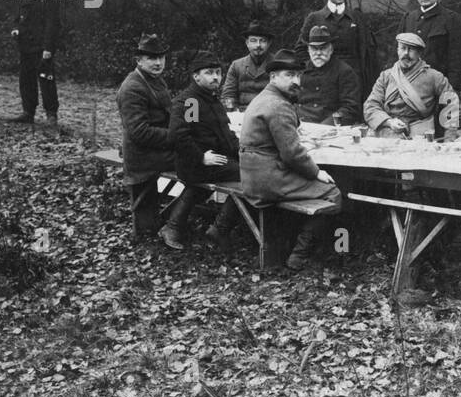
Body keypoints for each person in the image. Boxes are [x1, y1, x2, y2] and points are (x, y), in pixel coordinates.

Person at [240, 49, 344, 271]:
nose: (296, 81)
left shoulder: (264, 98)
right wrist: (317, 172)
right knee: (333, 191)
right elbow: (292, 154)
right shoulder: (278, 105)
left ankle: (295, 248)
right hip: (268, 178)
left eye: (298, 75)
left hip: (253, 173)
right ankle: (300, 255)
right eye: (289, 75)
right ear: (273, 77)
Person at [163, 53, 242, 250]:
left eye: (218, 72)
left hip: (213, 159)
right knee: (251, 175)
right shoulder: (192, 102)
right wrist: (201, 157)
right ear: (196, 77)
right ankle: (219, 229)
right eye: (209, 73)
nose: (216, 77)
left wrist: (242, 150)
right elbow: (180, 136)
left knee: (249, 166)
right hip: (194, 163)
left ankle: (174, 226)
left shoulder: (212, 100)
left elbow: (226, 134)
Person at [116, 34, 176, 240]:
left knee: (201, 153)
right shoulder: (133, 87)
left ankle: (179, 215)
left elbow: (168, 113)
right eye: (152, 58)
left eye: (161, 57)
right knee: (197, 161)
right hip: (143, 155)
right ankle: (177, 222)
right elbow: (139, 132)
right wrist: (177, 137)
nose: (158, 62)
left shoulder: (155, 80)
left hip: (157, 149)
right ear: (138, 60)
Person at [364, 32, 458, 137]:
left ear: (419, 53)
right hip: (388, 131)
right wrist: (389, 122)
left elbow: (452, 105)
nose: (406, 54)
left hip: (420, 135)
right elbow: (371, 106)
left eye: (411, 50)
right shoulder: (386, 76)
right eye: (403, 48)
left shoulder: (435, 77)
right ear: (397, 50)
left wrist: (450, 136)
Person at [299, 0, 378, 90]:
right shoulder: (315, 18)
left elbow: (368, 50)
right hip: (323, 77)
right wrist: (313, 70)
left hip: (353, 79)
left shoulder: (357, 18)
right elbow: (300, 49)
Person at [397, 0, 461, 91]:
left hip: (438, 85)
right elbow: (397, 53)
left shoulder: (451, 19)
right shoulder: (408, 18)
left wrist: (451, 88)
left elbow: (457, 58)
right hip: (410, 85)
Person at [7, 0, 61, 124]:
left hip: (41, 49)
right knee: (26, 81)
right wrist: (15, 29)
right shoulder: (24, 2)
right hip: (25, 48)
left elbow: (52, 25)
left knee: (46, 80)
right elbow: (16, 20)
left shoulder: (47, 1)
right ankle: (28, 112)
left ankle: (51, 114)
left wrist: (48, 48)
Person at [298, 25, 361, 125]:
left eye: (323, 48)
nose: (318, 53)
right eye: (314, 49)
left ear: (331, 50)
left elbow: (350, 108)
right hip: (300, 124)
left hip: (328, 128)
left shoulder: (344, 71)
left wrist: (325, 126)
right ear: (308, 50)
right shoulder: (300, 70)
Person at [221, 20, 274, 112]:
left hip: (270, 113)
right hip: (242, 113)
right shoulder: (236, 65)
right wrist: (232, 111)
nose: (258, 45)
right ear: (247, 43)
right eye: (253, 41)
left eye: (262, 41)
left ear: (269, 43)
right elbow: (228, 95)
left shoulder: (277, 64)